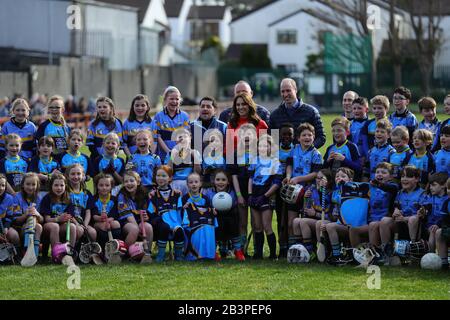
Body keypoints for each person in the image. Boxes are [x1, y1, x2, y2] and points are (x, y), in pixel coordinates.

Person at [283, 123, 323, 248]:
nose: (307, 137)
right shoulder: (294, 149)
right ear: (298, 138)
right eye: (304, 135)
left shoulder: (316, 154)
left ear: (314, 136)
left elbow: (316, 173)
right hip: (293, 191)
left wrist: (299, 178)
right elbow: (289, 165)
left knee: (304, 221)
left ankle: (307, 247)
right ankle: (293, 247)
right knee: (291, 222)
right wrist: (288, 177)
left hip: (308, 192)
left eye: (309, 135)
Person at [349, 163, 399, 263]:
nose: (379, 174)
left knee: (373, 225)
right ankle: (359, 256)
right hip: (371, 220)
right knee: (353, 229)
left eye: (384, 172)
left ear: (390, 176)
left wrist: (379, 185)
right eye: (377, 172)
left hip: (385, 221)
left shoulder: (393, 187)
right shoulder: (370, 187)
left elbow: (391, 188)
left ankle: (377, 255)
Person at [248, 134, 282, 260]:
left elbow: (277, 183)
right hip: (255, 194)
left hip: (266, 195)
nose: (262, 148)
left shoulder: (275, 162)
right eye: (260, 146)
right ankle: (258, 254)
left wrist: (265, 196)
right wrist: (250, 195)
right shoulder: (254, 160)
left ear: (270, 148)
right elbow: (250, 179)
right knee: (257, 226)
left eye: (265, 146)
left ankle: (273, 254)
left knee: (267, 226)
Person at [379, 166, 426, 253]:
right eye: (403, 176)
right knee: (384, 220)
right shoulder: (400, 193)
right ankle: (385, 251)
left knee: (413, 219)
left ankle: (414, 249)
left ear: (417, 179)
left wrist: (404, 218)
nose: (404, 179)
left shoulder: (422, 193)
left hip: (416, 226)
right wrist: (396, 212)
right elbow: (397, 207)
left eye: (408, 176)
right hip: (401, 224)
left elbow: (421, 216)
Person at [269, 78, 326, 149]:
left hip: (305, 159)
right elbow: (273, 140)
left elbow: (321, 137)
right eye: (282, 91)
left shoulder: (311, 112)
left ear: (295, 90)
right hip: (283, 159)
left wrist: (306, 149)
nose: (285, 94)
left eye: (288, 90)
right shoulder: (275, 115)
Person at [203, 169, 245, 261]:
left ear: (228, 182)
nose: (220, 182)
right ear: (214, 181)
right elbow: (205, 205)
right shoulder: (209, 192)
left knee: (233, 224)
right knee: (216, 227)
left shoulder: (232, 192)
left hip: (230, 216)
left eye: (223, 180)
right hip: (215, 216)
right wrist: (211, 209)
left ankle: (238, 250)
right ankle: (214, 252)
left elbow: (234, 204)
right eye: (218, 180)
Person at [292, 169, 333, 258]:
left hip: (325, 219)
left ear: (328, 180)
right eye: (317, 178)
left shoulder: (330, 193)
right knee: (296, 221)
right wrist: (305, 199)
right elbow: (305, 211)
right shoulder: (311, 189)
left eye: (321, 178)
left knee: (304, 222)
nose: (318, 180)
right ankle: (300, 250)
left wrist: (315, 214)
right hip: (313, 219)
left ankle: (312, 251)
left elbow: (331, 215)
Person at [147, 165, 184, 262]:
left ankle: (178, 256)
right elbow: (151, 212)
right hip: (160, 220)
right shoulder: (153, 194)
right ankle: (161, 256)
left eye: (164, 176)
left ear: (170, 178)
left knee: (179, 230)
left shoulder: (176, 194)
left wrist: (181, 222)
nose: (160, 178)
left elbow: (180, 211)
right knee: (164, 227)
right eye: (158, 176)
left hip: (174, 220)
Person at [41, 173, 79, 260]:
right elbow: (47, 219)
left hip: (62, 224)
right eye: (56, 185)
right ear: (51, 186)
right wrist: (58, 218)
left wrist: (77, 224)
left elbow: (70, 216)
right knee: (55, 226)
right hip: (49, 225)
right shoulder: (47, 198)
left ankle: (69, 253)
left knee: (72, 227)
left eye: (61, 185)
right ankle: (57, 254)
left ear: (65, 186)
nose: (59, 188)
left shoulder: (68, 198)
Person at [190, 97, 227, 186]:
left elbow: (228, 151)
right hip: (198, 178)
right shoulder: (191, 127)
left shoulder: (223, 127)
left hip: (219, 178)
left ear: (215, 111)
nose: (205, 108)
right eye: (202, 106)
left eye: (208, 106)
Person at [181, 172, 218, 261]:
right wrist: (184, 208)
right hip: (191, 223)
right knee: (200, 227)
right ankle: (194, 254)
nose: (194, 184)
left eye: (196, 182)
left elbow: (209, 210)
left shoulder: (205, 198)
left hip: (204, 222)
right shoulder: (184, 198)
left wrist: (213, 210)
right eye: (191, 182)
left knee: (208, 226)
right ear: (187, 184)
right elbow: (181, 213)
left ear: (200, 183)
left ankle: (208, 254)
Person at [151, 86, 190, 163]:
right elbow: (158, 137)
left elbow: (186, 137)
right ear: (165, 100)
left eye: (177, 99)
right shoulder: (158, 116)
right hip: (164, 155)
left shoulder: (185, 116)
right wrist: (168, 151)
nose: (174, 101)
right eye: (171, 99)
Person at [11, 173, 44, 260]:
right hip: (20, 228)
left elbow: (42, 219)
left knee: (39, 226)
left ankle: (35, 254)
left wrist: (37, 214)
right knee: (30, 223)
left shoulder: (39, 198)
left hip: (35, 227)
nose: (30, 187)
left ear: (37, 186)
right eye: (28, 184)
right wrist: (26, 214)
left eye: (33, 184)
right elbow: (16, 221)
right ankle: (26, 250)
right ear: (22, 185)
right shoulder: (17, 197)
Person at [117, 171, 153, 248]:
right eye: (126, 181)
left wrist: (146, 217)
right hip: (126, 222)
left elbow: (148, 211)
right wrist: (138, 228)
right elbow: (128, 215)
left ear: (138, 182)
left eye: (132, 180)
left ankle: (147, 252)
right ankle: (125, 253)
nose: (129, 183)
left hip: (140, 221)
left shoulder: (144, 194)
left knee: (148, 227)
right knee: (134, 229)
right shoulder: (122, 196)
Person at [64, 163, 96, 249]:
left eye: (78, 174)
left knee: (92, 232)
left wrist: (85, 224)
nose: (76, 176)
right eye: (73, 174)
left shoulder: (86, 193)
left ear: (83, 176)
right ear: (67, 176)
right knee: (79, 230)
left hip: (82, 222)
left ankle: (87, 252)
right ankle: (73, 251)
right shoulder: (65, 192)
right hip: (69, 221)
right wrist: (77, 224)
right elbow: (67, 212)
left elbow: (88, 211)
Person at [275, 122, 295, 258]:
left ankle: (293, 244)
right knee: (280, 217)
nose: (287, 136)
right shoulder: (275, 150)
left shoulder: (297, 149)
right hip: (277, 186)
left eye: (290, 134)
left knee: (292, 218)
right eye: (284, 134)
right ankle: (282, 246)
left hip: (293, 187)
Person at [166, 129, 202, 195]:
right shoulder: (171, 153)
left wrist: (194, 156)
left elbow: (197, 172)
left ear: (190, 138)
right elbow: (168, 172)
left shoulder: (195, 152)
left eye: (185, 136)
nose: (182, 139)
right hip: (175, 182)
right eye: (179, 137)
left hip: (190, 182)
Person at [91, 173, 121, 249]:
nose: (104, 188)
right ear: (97, 186)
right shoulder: (93, 199)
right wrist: (100, 218)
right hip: (97, 222)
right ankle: (104, 249)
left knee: (116, 224)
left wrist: (109, 219)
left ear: (111, 187)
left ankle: (115, 247)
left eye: (107, 185)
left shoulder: (114, 199)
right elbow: (93, 215)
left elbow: (115, 214)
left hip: (110, 220)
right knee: (104, 226)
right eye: (101, 185)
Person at [422, 172, 448, 253]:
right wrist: (422, 212)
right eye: (430, 185)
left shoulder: (447, 199)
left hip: (442, 226)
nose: (430, 188)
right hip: (428, 225)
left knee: (434, 230)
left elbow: (446, 216)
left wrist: (438, 225)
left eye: (434, 185)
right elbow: (424, 208)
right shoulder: (430, 197)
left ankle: (432, 255)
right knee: (432, 228)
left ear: (443, 185)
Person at [0, 174, 21, 254]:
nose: (1, 188)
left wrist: (6, 227)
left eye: (3, 185)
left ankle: (17, 255)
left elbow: (9, 216)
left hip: (3, 225)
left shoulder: (9, 198)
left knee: (14, 235)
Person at [435, 178, 450, 270]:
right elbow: (443, 219)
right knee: (439, 232)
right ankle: (443, 261)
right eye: (449, 188)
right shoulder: (446, 202)